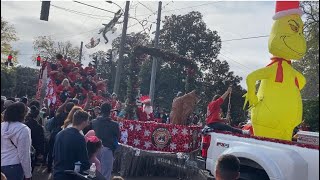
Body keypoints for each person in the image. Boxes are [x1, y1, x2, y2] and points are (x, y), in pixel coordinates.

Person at [53, 110, 91, 180]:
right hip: (70, 175)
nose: (88, 124)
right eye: (87, 121)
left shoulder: (59, 134)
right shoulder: (80, 138)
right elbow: (84, 161)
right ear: (84, 122)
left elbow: (54, 154)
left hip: (57, 173)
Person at [1, 102, 32, 180]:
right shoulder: (23, 129)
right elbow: (24, 154)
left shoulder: (2, 126)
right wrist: (28, 174)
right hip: (15, 166)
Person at [91, 103, 120, 180]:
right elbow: (117, 137)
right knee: (105, 175)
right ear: (110, 111)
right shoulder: (114, 124)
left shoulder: (93, 122)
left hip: (94, 150)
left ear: (101, 110)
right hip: (107, 150)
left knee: (92, 173)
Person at [46, 99, 75, 173]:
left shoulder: (59, 114)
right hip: (63, 137)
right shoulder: (71, 119)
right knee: (60, 153)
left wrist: (65, 102)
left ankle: (49, 167)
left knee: (51, 151)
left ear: (65, 108)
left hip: (54, 134)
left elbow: (58, 110)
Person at [25, 106, 45, 172]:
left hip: (25, 147)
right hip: (35, 149)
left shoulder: (25, 125)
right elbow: (41, 140)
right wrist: (41, 152)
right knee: (31, 167)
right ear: (38, 116)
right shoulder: (39, 127)